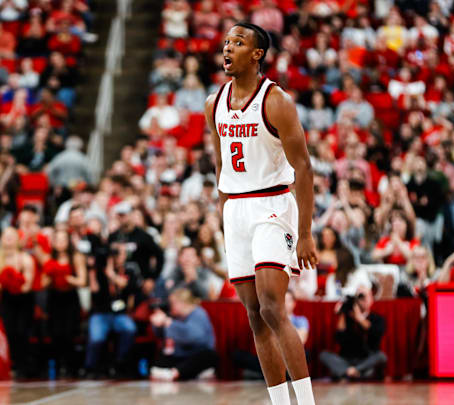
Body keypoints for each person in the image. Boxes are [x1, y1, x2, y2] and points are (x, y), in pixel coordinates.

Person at [204, 22, 318, 405]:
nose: (228, 48)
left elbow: (303, 166)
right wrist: (225, 221)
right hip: (236, 210)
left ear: (256, 54)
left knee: (271, 305)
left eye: (238, 42)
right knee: (254, 314)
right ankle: (280, 402)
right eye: (226, 42)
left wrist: (305, 233)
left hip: (272, 203)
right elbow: (221, 168)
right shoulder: (213, 104)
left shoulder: (276, 101)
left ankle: (306, 401)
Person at [84, 243, 139, 377]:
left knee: (129, 329)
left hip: (120, 314)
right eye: (116, 254)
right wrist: (94, 270)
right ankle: (90, 367)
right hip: (100, 313)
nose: (119, 257)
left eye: (121, 253)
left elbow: (126, 286)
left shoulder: (129, 271)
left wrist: (111, 274)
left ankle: (120, 362)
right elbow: (94, 290)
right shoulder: (99, 271)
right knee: (96, 338)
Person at [0, 227, 36, 377]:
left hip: (24, 299)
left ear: (17, 239)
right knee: (10, 331)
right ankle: (15, 364)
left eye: (11, 236)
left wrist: (16, 282)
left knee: (23, 331)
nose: (8, 238)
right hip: (7, 298)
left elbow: (28, 285)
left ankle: (27, 365)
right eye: (5, 236)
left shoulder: (25, 259)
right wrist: (5, 283)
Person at [43, 229, 87, 377]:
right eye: (57, 240)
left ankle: (71, 367)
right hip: (54, 299)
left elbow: (83, 281)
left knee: (69, 334)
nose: (60, 243)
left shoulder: (76, 257)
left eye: (63, 239)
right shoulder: (50, 258)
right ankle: (58, 366)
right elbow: (43, 282)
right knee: (55, 334)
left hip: (70, 298)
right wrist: (52, 276)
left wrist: (66, 277)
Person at [149, 288, 217, 381]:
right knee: (159, 364)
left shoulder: (198, 313)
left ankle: (178, 372)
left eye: (172, 303)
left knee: (208, 356)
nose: (170, 306)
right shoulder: (175, 316)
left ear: (182, 303)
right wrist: (158, 324)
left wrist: (168, 322)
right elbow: (160, 335)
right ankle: (190, 372)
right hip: (180, 355)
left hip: (198, 353)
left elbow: (191, 337)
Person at [320, 286, 387, 380]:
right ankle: (354, 372)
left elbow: (376, 333)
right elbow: (339, 338)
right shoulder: (347, 317)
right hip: (346, 359)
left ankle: (348, 372)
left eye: (364, 296)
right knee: (324, 355)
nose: (362, 299)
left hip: (365, 359)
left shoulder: (377, 319)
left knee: (381, 357)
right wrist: (342, 314)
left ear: (371, 299)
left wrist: (359, 318)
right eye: (359, 296)